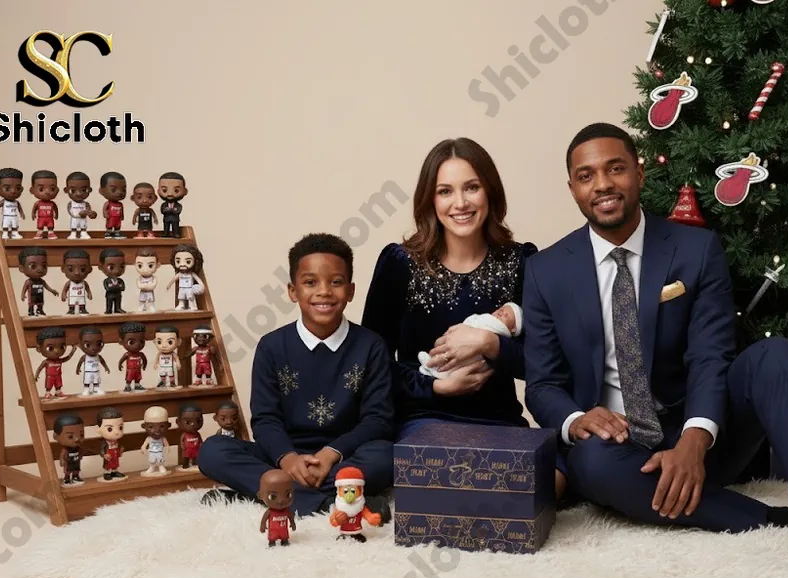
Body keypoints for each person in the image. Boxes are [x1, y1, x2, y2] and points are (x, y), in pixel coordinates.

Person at [523, 122, 788, 578]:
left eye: (616, 168)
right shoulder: (546, 270)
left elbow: (712, 354)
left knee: (773, 355)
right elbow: (543, 384)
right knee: (593, 464)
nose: (603, 184)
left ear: (639, 174)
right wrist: (576, 420)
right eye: (586, 176)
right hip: (618, 449)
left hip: (703, 439)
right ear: (572, 189)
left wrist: (694, 440)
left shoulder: (695, 248)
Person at [361, 137, 569, 500]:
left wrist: (489, 343)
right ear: (430, 199)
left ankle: (484, 497)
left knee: (557, 480)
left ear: (490, 192)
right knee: (457, 474)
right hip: (424, 421)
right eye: (445, 191)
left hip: (500, 421)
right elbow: (369, 366)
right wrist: (436, 387)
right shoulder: (399, 263)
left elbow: (542, 364)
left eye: (471, 187)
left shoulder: (521, 261)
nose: (460, 203)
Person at [199, 233, 394, 519]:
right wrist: (288, 459)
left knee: (389, 456)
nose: (324, 291)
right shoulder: (272, 346)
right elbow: (265, 419)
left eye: (336, 282)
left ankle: (270, 494)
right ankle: (330, 501)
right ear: (292, 291)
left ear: (351, 291)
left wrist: (331, 453)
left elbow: (378, 419)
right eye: (310, 282)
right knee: (213, 451)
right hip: (283, 457)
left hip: (344, 456)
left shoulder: (371, 345)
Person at [417, 302, 522, 379]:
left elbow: (529, 362)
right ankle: (433, 366)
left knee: (460, 366)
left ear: (513, 329)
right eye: (501, 309)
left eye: (506, 315)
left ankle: (437, 372)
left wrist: (487, 340)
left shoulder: (500, 329)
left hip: (482, 379)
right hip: (422, 397)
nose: (501, 312)